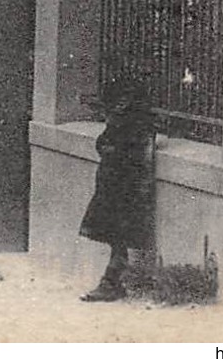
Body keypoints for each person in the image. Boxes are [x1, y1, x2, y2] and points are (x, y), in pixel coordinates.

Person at [79, 76, 158, 302]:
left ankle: (112, 281)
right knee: (116, 235)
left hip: (123, 188)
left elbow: (136, 157)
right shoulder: (124, 125)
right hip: (112, 186)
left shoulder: (134, 128)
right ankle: (113, 280)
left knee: (120, 235)